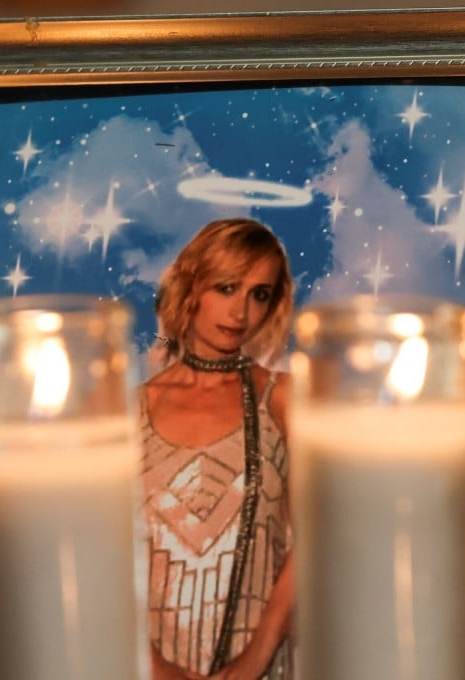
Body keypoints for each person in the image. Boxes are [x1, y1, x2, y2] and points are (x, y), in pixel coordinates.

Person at [140, 218, 295, 679]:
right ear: (193, 285)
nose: (240, 312)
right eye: (227, 287)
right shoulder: (127, 412)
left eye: (259, 294)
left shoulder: (284, 400)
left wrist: (255, 657)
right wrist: (153, 666)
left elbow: (319, 541)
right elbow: (95, 561)